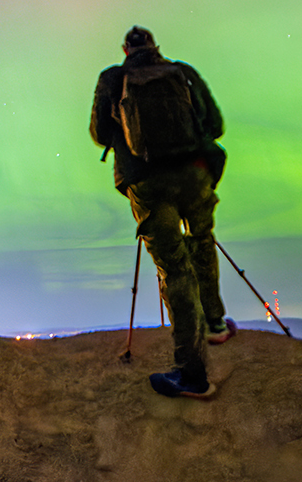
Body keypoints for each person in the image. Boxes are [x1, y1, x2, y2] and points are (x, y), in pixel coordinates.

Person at [90, 25, 233, 399]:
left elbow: (99, 135)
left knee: (175, 270)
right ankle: (216, 324)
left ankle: (192, 374)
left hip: (147, 182)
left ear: (125, 49)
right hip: (194, 175)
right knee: (202, 240)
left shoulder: (113, 79)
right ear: (155, 45)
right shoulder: (182, 72)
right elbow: (215, 125)